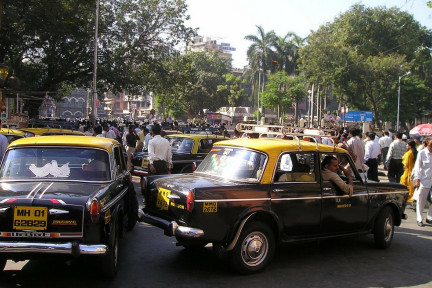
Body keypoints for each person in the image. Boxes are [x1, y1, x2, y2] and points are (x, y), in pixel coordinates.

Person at [412, 138, 432, 227]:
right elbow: (417, 167)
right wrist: (417, 180)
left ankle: (430, 217)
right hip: (424, 180)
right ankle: (420, 219)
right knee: (421, 200)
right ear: (428, 145)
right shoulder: (422, 153)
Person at [400, 140, 418, 205]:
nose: (406, 146)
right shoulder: (415, 152)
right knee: (411, 185)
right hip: (413, 170)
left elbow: (406, 163)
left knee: (405, 183)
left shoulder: (408, 153)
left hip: (408, 171)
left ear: (409, 146)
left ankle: (408, 197)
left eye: (407, 145)